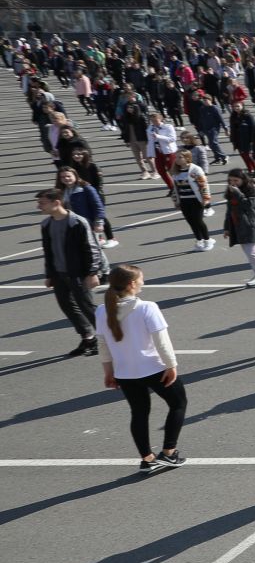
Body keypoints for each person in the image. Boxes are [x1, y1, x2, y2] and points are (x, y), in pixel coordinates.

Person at [96, 265, 188, 474]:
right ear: (132, 284)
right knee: (178, 403)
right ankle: (169, 452)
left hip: (125, 372)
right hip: (154, 368)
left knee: (139, 412)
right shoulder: (147, 308)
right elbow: (162, 342)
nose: (143, 283)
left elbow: (102, 345)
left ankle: (147, 459)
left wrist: (108, 371)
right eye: (141, 280)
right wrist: (171, 365)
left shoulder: (102, 310)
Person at [38, 187, 108, 357]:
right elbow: (48, 251)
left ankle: (108, 340)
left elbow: (92, 249)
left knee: (87, 307)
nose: (39, 207)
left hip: (78, 274)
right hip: (59, 274)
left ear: (56, 202)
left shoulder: (77, 222)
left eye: (42, 203)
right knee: (68, 307)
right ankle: (88, 338)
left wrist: (92, 273)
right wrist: (49, 274)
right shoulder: (46, 224)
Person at [222, 168, 255, 287]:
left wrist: (237, 193)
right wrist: (227, 228)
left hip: (252, 224)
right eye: (230, 180)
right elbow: (229, 210)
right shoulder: (232, 191)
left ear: (243, 179)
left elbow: (248, 205)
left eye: (236, 180)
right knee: (248, 252)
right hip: (239, 225)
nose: (233, 183)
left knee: (252, 252)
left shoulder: (254, 189)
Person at [169, 148, 214, 250]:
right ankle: (199, 240)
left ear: (187, 158)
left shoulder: (195, 169)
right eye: (176, 157)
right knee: (190, 222)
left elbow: (203, 185)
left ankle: (208, 240)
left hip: (196, 201)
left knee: (198, 221)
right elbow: (175, 189)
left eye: (180, 157)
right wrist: (176, 201)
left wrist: (206, 199)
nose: (177, 159)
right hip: (184, 201)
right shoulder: (176, 172)